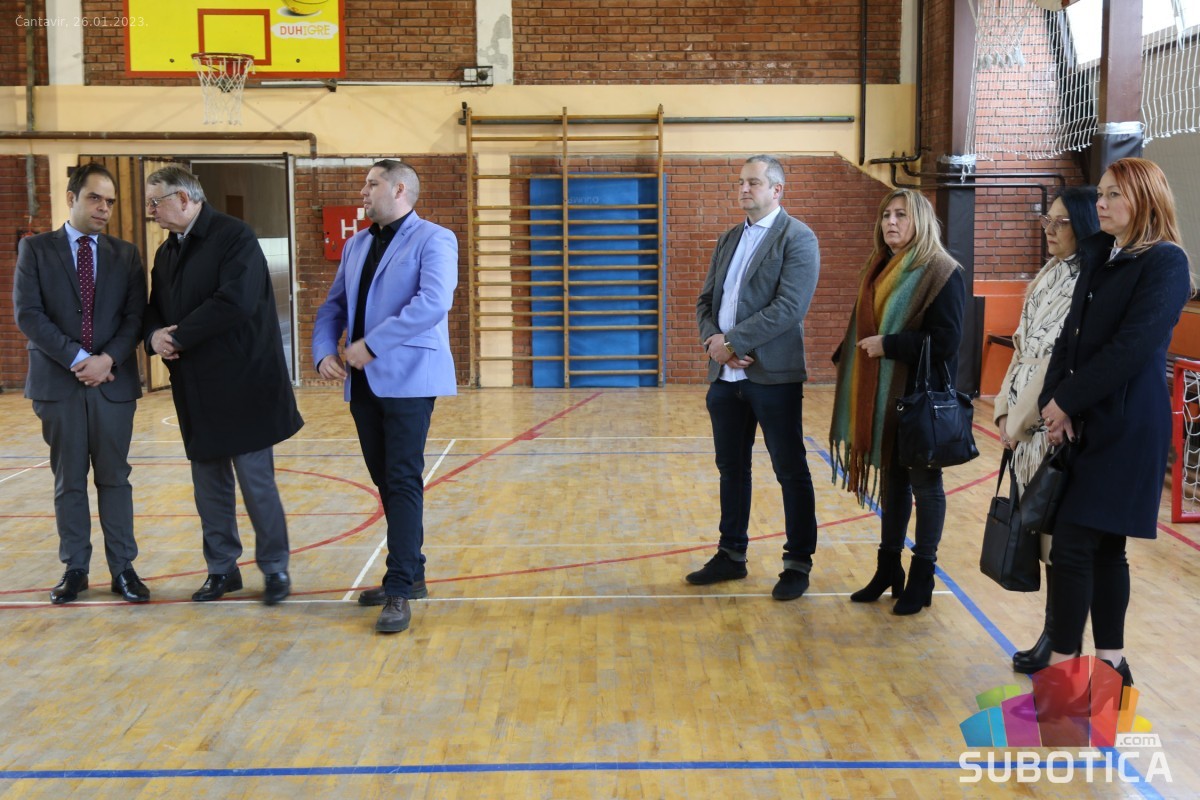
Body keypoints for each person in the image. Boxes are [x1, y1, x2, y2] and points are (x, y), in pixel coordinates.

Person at [1039, 157, 1192, 687]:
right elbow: (1070, 336)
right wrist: (1054, 400)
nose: (1099, 204)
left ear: (1143, 199)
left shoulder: (1166, 262)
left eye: (1112, 195)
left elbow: (1133, 347)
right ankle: (1111, 666)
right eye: (1100, 193)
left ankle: (1063, 670)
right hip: (1084, 417)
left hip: (1127, 426)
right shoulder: (1100, 251)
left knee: (1073, 545)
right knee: (1104, 547)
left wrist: (1068, 401)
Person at [142, 166, 303, 606]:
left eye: (155, 202)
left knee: (255, 483)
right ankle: (221, 569)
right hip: (196, 385)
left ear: (183, 198)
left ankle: (274, 568)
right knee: (208, 485)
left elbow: (235, 301)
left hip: (243, 381)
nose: (150, 211)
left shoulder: (234, 236)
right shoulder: (166, 252)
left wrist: (177, 337)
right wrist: (154, 336)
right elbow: (155, 307)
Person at [312, 160, 458, 634]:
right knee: (386, 480)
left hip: (409, 378)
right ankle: (411, 573)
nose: (363, 191)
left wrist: (371, 345)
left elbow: (433, 303)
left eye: (371, 183)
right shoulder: (356, 244)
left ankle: (398, 587)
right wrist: (322, 352)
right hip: (362, 382)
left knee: (401, 478)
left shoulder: (435, 238)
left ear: (399, 190)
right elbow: (334, 305)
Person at [14, 162, 149, 605]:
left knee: (115, 479)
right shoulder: (35, 250)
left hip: (112, 383)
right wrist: (79, 359)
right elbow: (28, 314)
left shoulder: (126, 254)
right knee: (69, 480)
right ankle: (75, 569)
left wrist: (106, 360)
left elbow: (135, 317)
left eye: (110, 201)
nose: (104, 208)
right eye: (95, 198)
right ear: (71, 197)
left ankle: (123, 569)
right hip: (59, 384)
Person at [688, 154, 821, 601]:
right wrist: (714, 342)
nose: (744, 189)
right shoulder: (729, 238)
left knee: (790, 469)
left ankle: (797, 563)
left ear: (777, 190)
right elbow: (706, 301)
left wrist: (734, 342)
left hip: (773, 376)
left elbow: (790, 307)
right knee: (731, 469)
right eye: (741, 183)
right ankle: (731, 554)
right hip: (724, 377)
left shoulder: (797, 237)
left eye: (754, 183)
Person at [830, 187, 965, 616]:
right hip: (885, 397)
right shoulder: (879, 266)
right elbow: (864, 324)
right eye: (886, 214)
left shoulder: (941, 271)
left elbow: (946, 342)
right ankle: (888, 568)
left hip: (919, 398)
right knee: (892, 484)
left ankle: (923, 574)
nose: (890, 222)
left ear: (920, 221)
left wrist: (889, 345)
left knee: (925, 486)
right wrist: (847, 355)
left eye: (901, 215)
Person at [993, 186, 1099, 673]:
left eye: (1060, 222)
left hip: (1051, 422)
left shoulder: (1088, 279)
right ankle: (1053, 635)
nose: (1050, 230)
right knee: (1039, 535)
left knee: (1057, 541)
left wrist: (1019, 420)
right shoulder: (1050, 272)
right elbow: (1022, 348)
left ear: (1084, 224)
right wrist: (1002, 411)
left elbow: (1055, 361)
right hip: (1023, 417)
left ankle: (1060, 641)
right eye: (1046, 221)